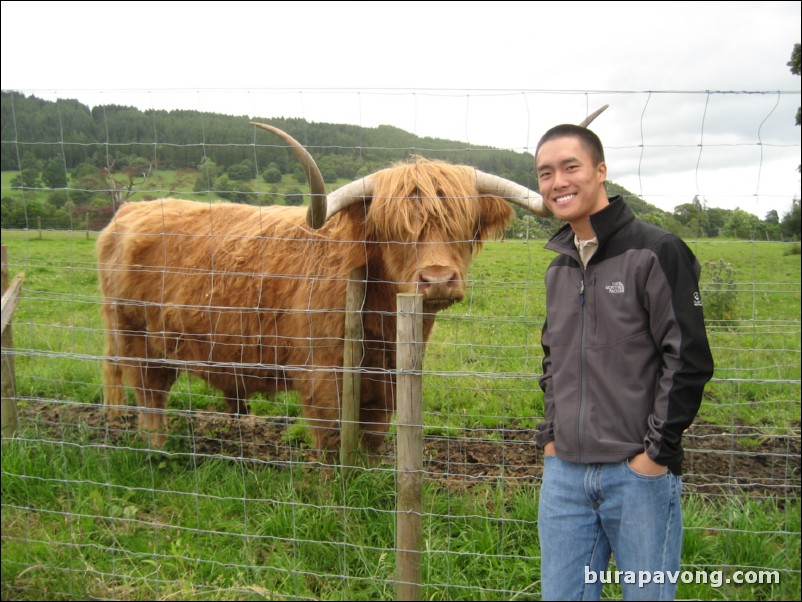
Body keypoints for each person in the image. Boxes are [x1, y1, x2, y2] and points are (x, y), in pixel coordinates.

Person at [533, 123, 714, 601]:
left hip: (637, 477)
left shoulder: (656, 251)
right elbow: (552, 360)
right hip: (565, 477)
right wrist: (550, 439)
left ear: (600, 171)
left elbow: (689, 358)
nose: (558, 182)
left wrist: (656, 455)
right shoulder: (559, 268)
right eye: (545, 173)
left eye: (570, 167)